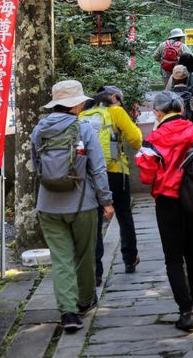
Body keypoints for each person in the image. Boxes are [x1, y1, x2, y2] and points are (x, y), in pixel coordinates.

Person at [135, 91, 193, 333]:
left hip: (168, 201)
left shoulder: (154, 139)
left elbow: (146, 175)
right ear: (182, 109)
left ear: (158, 112)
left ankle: (186, 313)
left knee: (173, 258)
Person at [31, 80, 114, 333]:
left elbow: (37, 167)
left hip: (48, 204)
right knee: (85, 255)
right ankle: (85, 301)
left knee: (61, 259)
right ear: (76, 105)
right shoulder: (84, 129)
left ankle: (68, 314)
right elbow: (98, 169)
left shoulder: (38, 130)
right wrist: (106, 201)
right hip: (83, 203)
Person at [81, 85, 143, 286]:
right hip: (115, 171)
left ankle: (97, 272)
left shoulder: (83, 114)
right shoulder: (116, 111)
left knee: (96, 220)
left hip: (90, 173)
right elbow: (136, 139)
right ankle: (129, 259)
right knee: (124, 214)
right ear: (115, 98)